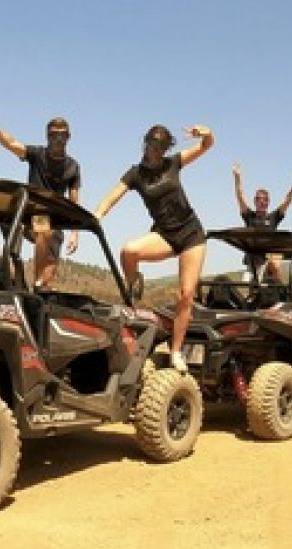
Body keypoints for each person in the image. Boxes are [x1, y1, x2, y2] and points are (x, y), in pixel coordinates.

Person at [94, 124, 213, 374]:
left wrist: (206, 134)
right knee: (129, 251)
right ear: (145, 144)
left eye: (159, 147)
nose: (153, 150)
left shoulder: (174, 163)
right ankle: (134, 283)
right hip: (164, 234)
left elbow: (206, 146)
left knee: (185, 294)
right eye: (150, 144)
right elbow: (113, 196)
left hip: (191, 234)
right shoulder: (136, 173)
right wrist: (98, 215)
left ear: (165, 149)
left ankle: (177, 351)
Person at [0, 109, 80, 290]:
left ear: (68, 137)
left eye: (63, 134)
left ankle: (38, 287)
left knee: (49, 271)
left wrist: (75, 232)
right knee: (43, 230)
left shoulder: (73, 166)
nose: (58, 138)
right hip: (30, 215)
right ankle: (31, 283)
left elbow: (74, 200)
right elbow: (12, 144)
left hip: (56, 220)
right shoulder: (37, 154)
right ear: (47, 136)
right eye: (54, 134)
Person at [233, 163, 292, 281]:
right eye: (258, 199)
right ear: (254, 201)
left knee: (275, 261)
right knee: (248, 285)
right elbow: (240, 196)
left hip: (267, 261)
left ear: (268, 202)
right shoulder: (249, 216)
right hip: (252, 262)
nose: (262, 202)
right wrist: (237, 177)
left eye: (265, 200)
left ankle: (278, 288)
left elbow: (288, 199)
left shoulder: (273, 217)